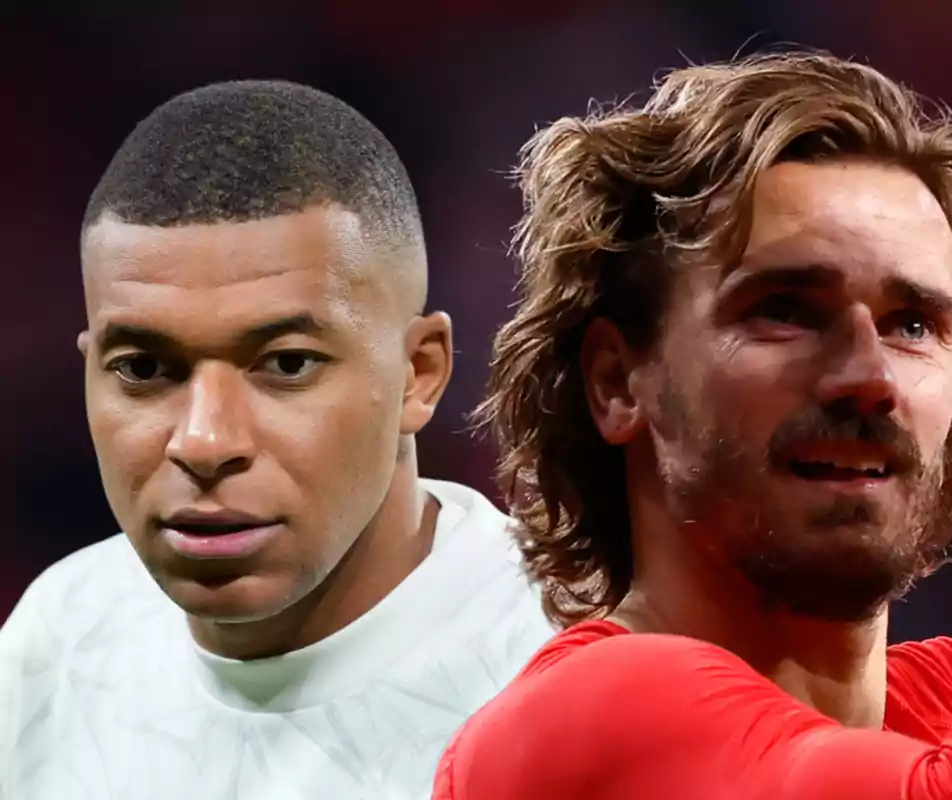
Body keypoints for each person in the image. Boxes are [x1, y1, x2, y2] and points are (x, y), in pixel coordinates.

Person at [432, 46, 952, 799]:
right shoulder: (584, 714)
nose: (868, 378)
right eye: (786, 312)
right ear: (616, 381)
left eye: (912, 324)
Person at [0, 80, 555, 799]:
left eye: (288, 364)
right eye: (142, 369)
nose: (204, 442)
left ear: (419, 375)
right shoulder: (59, 635)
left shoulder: (567, 667)